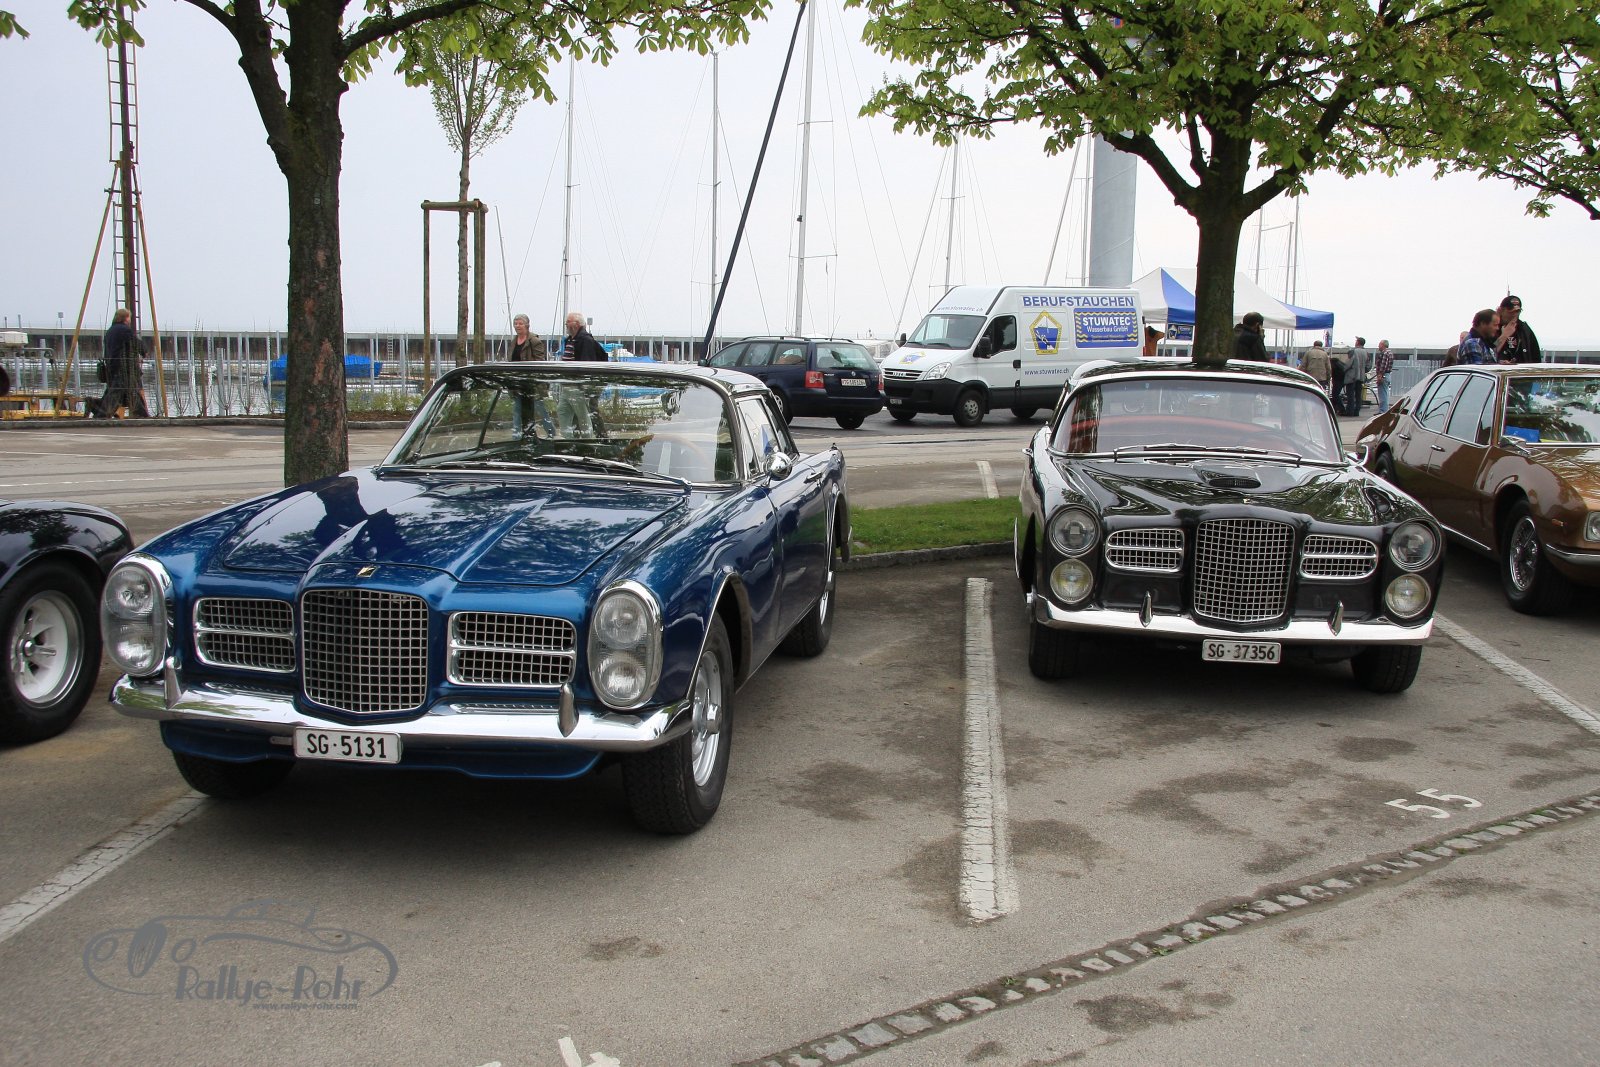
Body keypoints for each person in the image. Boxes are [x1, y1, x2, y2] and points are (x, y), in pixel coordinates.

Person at [94, 307, 149, 418]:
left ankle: (142, 414)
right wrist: (144, 351)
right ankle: (101, 413)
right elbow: (135, 343)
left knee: (126, 391)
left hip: (112, 366)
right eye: (129, 317)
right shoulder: (124, 330)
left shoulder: (110, 331)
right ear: (125, 318)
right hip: (123, 368)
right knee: (118, 393)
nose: (130, 320)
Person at [1493, 294, 1541, 364]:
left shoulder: (1524, 329)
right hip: (1497, 369)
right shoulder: (1492, 327)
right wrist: (1504, 335)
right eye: (1511, 312)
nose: (1514, 315)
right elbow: (1489, 352)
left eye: (1517, 312)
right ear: (1500, 310)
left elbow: (1536, 357)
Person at [1344, 336, 1369, 418]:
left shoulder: (1353, 351)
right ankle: (1357, 411)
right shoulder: (1366, 352)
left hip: (1352, 376)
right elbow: (1368, 366)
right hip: (1361, 376)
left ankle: (1350, 411)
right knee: (1358, 395)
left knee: (1350, 395)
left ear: (1358, 342)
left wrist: (1343, 369)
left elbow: (1348, 364)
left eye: (1356, 341)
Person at [1372, 339, 1395, 411]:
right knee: (1386, 393)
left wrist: (1380, 376)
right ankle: (1385, 409)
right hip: (1388, 375)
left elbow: (1383, 365)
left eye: (1379, 344)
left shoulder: (1384, 353)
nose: (1378, 346)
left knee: (1382, 394)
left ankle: (1382, 411)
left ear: (1383, 345)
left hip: (1383, 375)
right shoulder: (1390, 353)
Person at [1329, 345, 1349, 412]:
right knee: (1336, 394)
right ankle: (1335, 408)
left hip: (1337, 381)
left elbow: (1332, 374)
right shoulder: (1340, 364)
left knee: (1335, 395)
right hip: (1342, 381)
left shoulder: (1334, 366)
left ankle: (1340, 408)